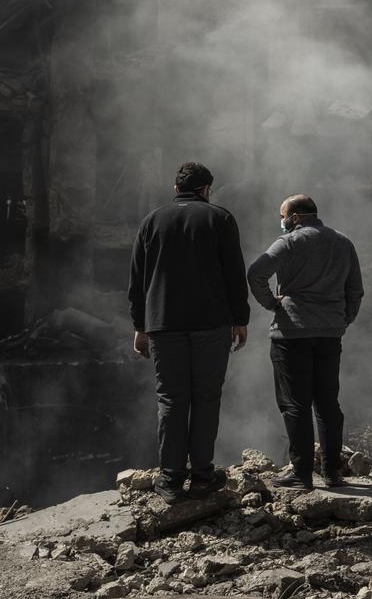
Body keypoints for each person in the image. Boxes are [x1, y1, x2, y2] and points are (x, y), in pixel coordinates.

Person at [128, 161, 250, 504]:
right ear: (206, 189)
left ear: (175, 189)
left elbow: (137, 281)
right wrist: (240, 318)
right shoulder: (220, 218)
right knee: (206, 398)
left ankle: (169, 480)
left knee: (171, 400)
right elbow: (234, 274)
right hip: (211, 325)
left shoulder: (151, 221)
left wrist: (140, 327)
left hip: (163, 325)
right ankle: (201, 477)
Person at [247, 194, 364, 490]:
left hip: (292, 334)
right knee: (327, 403)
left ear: (296, 217)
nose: (282, 221)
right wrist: (344, 319)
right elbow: (355, 290)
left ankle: (301, 474)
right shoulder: (343, 242)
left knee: (294, 404)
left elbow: (256, 272)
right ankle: (332, 472)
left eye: (283, 215)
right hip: (329, 334)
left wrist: (272, 304)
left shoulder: (288, 242)